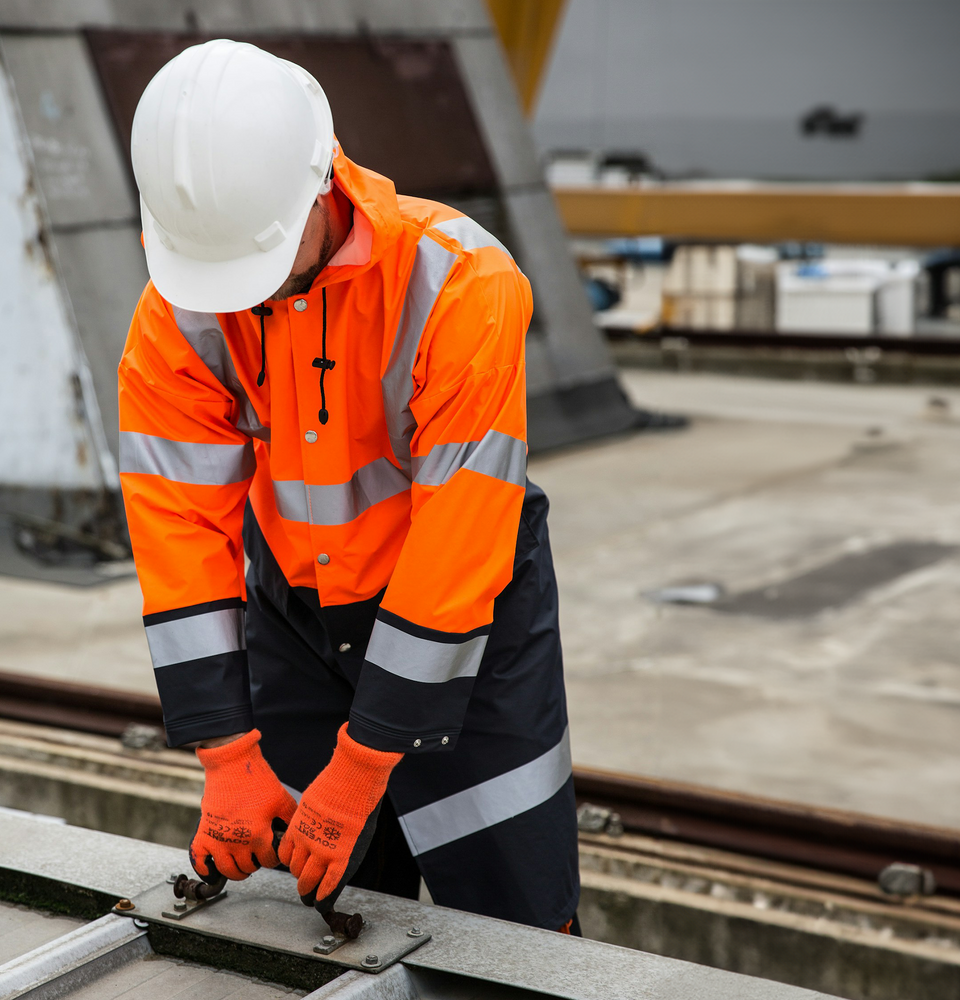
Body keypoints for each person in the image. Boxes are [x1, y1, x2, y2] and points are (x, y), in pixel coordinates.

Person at [117, 39, 579, 933]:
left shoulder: (461, 283)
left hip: (468, 625)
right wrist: (225, 753)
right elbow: (177, 527)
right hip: (296, 618)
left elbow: (459, 542)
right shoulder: (177, 307)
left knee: (518, 915)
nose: (236, 298)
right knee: (318, 918)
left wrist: (365, 763)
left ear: (323, 184)